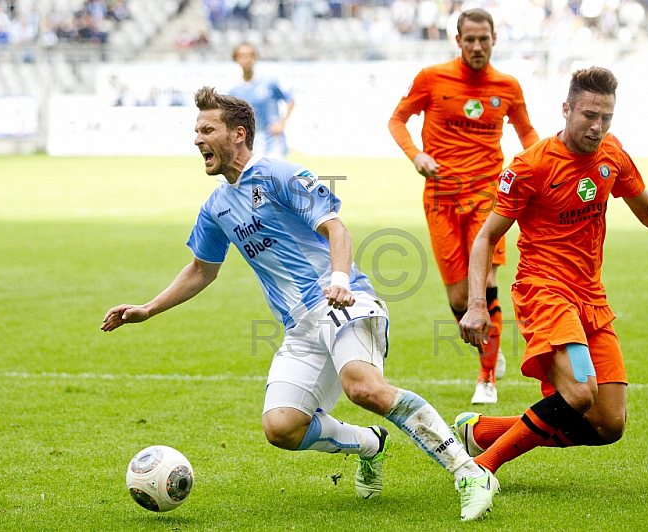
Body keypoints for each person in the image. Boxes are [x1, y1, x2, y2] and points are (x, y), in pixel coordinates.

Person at [100, 86, 498, 522]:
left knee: (362, 387)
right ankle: (371, 443)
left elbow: (337, 230)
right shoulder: (216, 207)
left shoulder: (279, 174)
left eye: (207, 129)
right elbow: (201, 269)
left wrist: (340, 280)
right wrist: (148, 308)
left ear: (238, 134)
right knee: (282, 428)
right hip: (300, 327)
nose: (197, 139)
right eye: (195, 130)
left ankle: (470, 472)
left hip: (344, 302)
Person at [453, 67, 648, 476]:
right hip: (544, 291)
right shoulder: (530, 166)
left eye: (606, 116)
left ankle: (483, 431)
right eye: (589, 115)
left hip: (591, 296)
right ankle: (481, 469)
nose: (597, 126)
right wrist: (477, 304)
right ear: (566, 109)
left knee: (608, 424)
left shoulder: (612, 154)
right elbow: (485, 238)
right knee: (580, 392)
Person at [388, 8, 540, 404]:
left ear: (494, 39)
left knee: (485, 285)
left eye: (483, 39)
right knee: (458, 299)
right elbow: (397, 120)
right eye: (469, 39)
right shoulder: (431, 78)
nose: (476, 46)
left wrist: (547, 170)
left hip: (489, 196)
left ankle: (486, 378)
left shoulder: (507, 86)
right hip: (440, 197)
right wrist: (416, 155)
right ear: (458, 41)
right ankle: (491, 350)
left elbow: (526, 134)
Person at [229, 43, 295, 159]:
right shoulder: (234, 90)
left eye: (250, 55)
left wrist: (281, 123)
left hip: (273, 140)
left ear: (255, 58)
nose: (246, 59)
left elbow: (290, 99)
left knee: (274, 175)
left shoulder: (268, 83)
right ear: (236, 59)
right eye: (242, 56)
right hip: (251, 142)